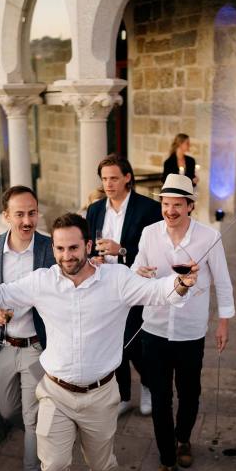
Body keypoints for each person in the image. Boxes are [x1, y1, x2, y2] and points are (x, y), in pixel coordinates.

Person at [0, 213, 198, 471]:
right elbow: (4, 292)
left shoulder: (116, 279)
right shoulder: (43, 281)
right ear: (52, 249)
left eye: (73, 247)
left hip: (100, 395)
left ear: (87, 245)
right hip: (55, 392)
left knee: (102, 464)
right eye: (59, 248)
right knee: (52, 467)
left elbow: (157, 291)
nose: (66, 256)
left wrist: (181, 283)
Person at [133, 174, 235, 471]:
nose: (170, 210)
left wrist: (223, 322)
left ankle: (184, 439)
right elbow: (137, 267)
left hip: (191, 329)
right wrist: (141, 271)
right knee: (161, 396)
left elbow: (223, 280)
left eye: (178, 204)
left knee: (189, 391)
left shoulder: (209, 238)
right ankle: (167, 459)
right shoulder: (149, 234)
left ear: (190, 206)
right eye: (166, 204)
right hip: (154, 327)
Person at [0, 185, 55, 471]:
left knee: (33, 418)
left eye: (32, 212)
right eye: (20, 214)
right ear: (6, 216)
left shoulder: (50, 248)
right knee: (10, 413)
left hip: (37, 347)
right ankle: (38, 441)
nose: (27, 220)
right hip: (3, 346)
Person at [87, 153, 162, 416]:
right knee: (111, 340)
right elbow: (88, 246)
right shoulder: (95, 210)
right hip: (103, 283)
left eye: (114, 178)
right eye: (105, 179)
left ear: (127, 178)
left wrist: (121, 251)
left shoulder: (148, 209)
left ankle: (149, 385)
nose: (108, 184)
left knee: (135, 342)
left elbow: (153, 252)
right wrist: (93, 258)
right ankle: (123, 395)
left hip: (134, 283)